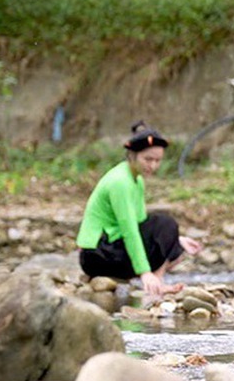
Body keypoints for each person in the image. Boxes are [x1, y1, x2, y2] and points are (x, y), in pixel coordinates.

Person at [77, 120, 203, 298]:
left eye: (157, 160)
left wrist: (175, 239)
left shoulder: (137, 179)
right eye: (148, 159)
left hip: (111, 249)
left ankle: (157, 284)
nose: (152, 166)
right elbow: (130, 229)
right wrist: (144, 272)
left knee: (174, 241)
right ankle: (153, 283)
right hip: (96, 255)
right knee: (166, 223)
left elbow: (141, 223)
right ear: (132, 155)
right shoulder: (120, 181)